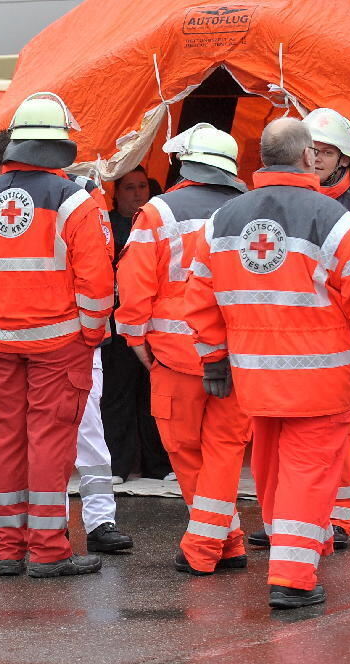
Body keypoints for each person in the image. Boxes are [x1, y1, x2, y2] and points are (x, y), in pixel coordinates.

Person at [185, 117, 350, 609]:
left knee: (270, 467)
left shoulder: (223, 220)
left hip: (255, 379)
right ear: (307, 158)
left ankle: (293, 547)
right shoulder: (339, 222)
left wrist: (214, 358)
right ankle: (293, 578)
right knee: (307, 473)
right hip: (321, 382)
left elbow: (198, 297)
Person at [0, 93, 114, 578]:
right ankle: (46, 549)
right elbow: (97, 281)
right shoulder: (73, 199)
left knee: (7, 441)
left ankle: (7, 547)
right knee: (50, 442)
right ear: (58, 145)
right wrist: (89, 332)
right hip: (60, 345)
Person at [248, 109, 350, 551]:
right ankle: (285, 521)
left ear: (345, 160)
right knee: (276, 441)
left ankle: (337, 518)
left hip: (343, 348)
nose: (315, 159)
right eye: (311, 150)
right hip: (288, 341)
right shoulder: (287, 203)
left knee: (343, 434)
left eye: (326, 152)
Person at [0, 129, 133, 554]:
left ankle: (97, 519)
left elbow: (100, 259)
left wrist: (87, 332)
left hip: (61, 337)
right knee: (34, 438)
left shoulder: (81, 193)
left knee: (81, 430)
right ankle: (43, 533)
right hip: (43, 338)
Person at [116, 123, 251, 575]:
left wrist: (134, 336)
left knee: (186, 450)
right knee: (227, 449)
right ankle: (226, 538)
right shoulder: (249, 209)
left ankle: (204, 546)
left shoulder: (158, 211)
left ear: (184, 162)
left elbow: (135, 280)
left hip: (175, 354)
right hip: (239, 352)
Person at [103, 167, 172, 482]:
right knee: (117, 394)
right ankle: (118, 466)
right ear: (116, 192)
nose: (137, 193)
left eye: (143, 186)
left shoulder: (159, 222)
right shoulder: (105, 224)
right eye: (129, 187)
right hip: (117, 324)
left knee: (153, 395)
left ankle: (160, 466)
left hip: (154, 322)